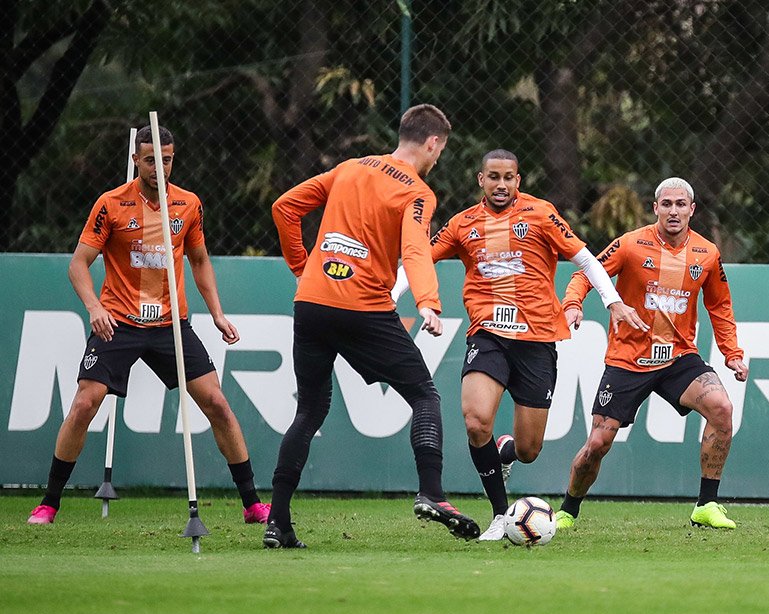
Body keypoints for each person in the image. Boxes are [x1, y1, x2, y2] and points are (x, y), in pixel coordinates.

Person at [396, 149, 646, 541]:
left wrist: (612, 300)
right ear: (481, 180)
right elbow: (417, 260)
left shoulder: (542, 214)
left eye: (508, 177)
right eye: (493, 177)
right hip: (488, 335)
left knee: (530, 449)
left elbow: (584, 259)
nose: (500, 185)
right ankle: (500, 514)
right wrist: (389, 299)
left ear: (518, 180)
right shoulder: (463, 225)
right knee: (476, 421)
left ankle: (508, 450)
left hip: (537, 341)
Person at [27, 126, 270, 525]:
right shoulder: (111, 204)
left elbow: (200, 261)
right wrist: (93, 307)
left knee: (219, 406)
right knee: (85, 404)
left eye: (168, 159)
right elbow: (77, 265)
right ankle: (49, 503)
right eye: (152, 160)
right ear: (136, 161)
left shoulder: (188, 205)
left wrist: (218, 312)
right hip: (118, 322)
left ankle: (252, 504)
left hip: (171, 326)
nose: (160, 167)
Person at [267, 104, 480, 548]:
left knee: (308, 411)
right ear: (433, 143)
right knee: (424, 393)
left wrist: (302, 269)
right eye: (441, 149)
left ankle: (278, 522)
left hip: (311, 302)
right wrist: (428, 303)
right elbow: (416, 250)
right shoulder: (418, 192)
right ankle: (432, 493)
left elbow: (284, 208)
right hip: (363, 307)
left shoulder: (348, 168)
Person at [554, 177, 749, 531]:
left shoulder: (707, 253)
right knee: (598, 443)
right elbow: (587, 273)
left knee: (721, 408)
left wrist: (731, 352)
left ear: (692, 210)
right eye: (667, 204)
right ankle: (568, 510)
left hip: (678, 358)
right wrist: (573, 304)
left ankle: (706, 505)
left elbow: (720, 305)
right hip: (628, 359)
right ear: (655, 208)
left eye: (680, 204)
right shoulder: (631, 245)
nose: (673, 211)